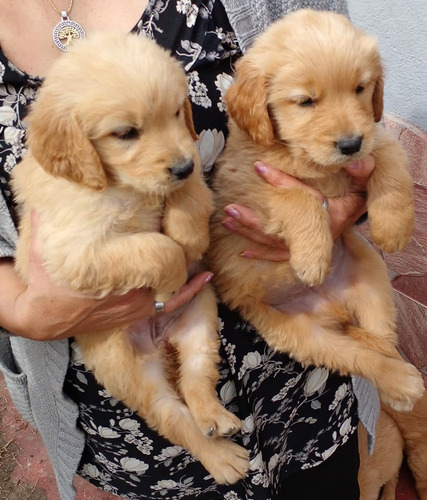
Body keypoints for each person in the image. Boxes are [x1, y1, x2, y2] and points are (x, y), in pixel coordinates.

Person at [0, 1, 379, 499]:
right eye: (129, 132)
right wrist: (22, 311)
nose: (179, 152)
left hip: (303, 380)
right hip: (138, 429)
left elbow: (353, 102)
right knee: (157, 396)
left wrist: (348, 198)